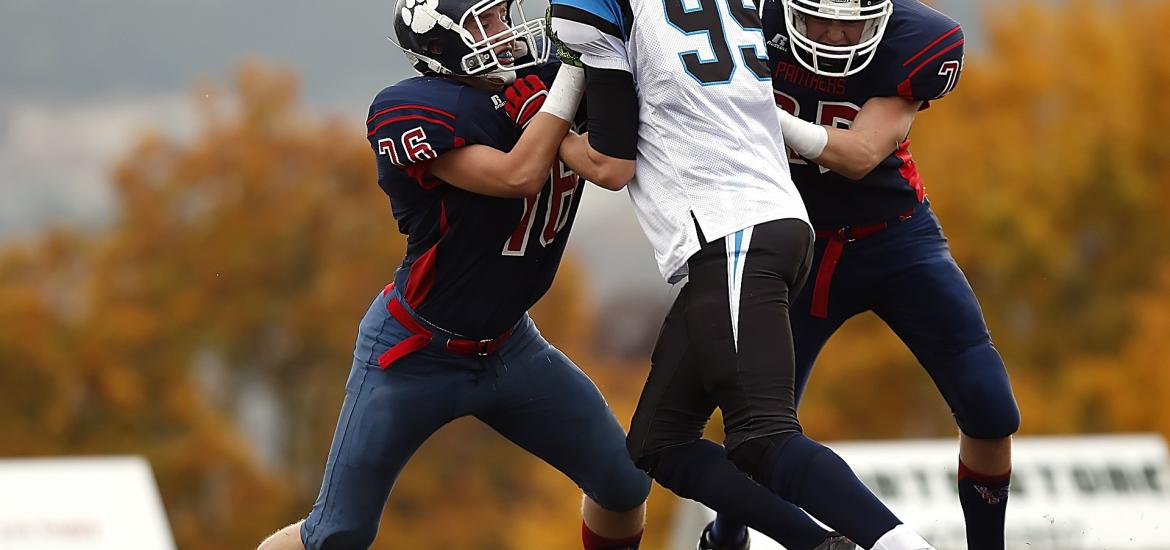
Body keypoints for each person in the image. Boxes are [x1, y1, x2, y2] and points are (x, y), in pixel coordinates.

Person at [255, 0, 653, 548]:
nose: (504, 31)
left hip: (511, 347)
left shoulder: (540, 79)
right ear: (439, 43)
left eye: (501, 16)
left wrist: (601, 48)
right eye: (484, 22)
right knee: (336, 534)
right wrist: (574, 73)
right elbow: (520, 174)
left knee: (625, 483)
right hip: (415, 355)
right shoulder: (413, 107)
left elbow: (613, 157)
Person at [546, 0, 936, 549]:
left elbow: (611, 164)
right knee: (660, 443)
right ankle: (817, 545)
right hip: (762, 228)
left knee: (764, 437)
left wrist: (548, 130)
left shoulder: (595, 8)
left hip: (732, 232)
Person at [705, 0, 1022, 548]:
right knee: (756, 431)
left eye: (850, 20)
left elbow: (857, 155)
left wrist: (753, 110)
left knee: (989, 404)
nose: (832, 34)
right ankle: (726, 537)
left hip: (894, 241)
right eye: (816, 16)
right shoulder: (743, 19)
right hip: (792, 246)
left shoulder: (919, 40)